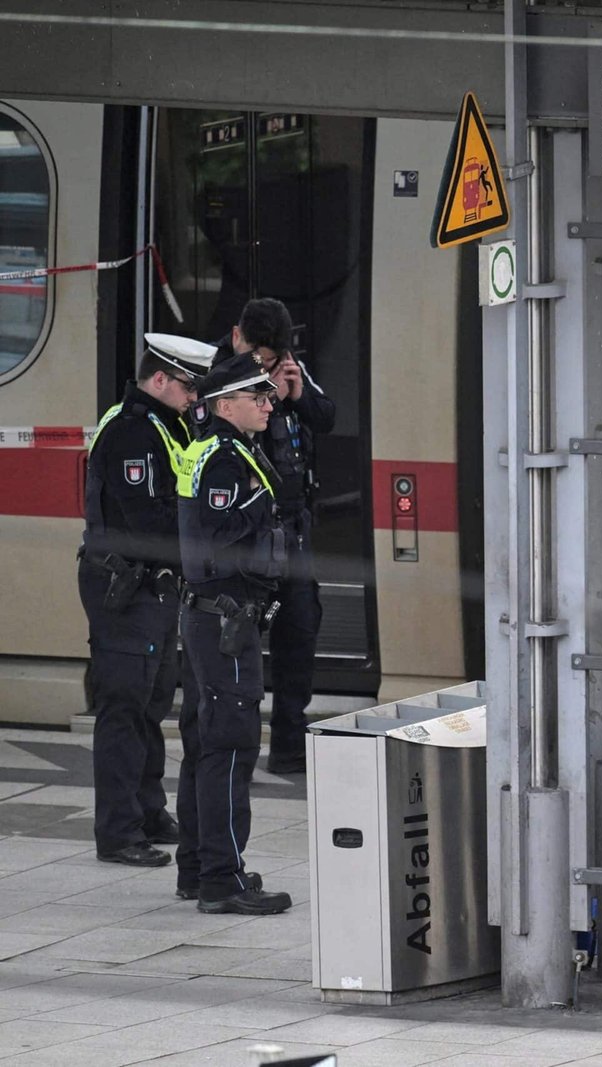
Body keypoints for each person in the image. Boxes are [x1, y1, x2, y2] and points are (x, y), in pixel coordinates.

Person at [80, 334, 214, 867]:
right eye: (187, 385)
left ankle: (148, 810)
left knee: (153, 702)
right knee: (124, 707)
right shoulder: (133, 432)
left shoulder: (165, 424)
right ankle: (117, 831)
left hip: (152, 587)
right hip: (125, 587)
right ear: (160, 379)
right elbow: (148, 522)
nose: (193, 396)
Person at [176, 350, 293, 914]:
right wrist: (263, 504)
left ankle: (199, 868)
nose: (269, 404)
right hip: (225, 617)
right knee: (231, 745)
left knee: (206, 742)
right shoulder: (225, 460)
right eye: (259, 397)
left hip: (212, 613)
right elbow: (220, 532)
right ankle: (223, 880)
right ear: (227, 404)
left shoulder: (221, 450)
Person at [227, 298, 335, 775]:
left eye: (273, 361)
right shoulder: (218, 380)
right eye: (260, 361)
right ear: (237, 340)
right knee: (238, 643)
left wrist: (297, 396)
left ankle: (288, 744)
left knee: (299, 633)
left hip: (292, 533)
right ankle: (236, 746)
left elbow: (326, 417)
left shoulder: (292, 372)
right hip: (245, 535)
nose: (266, 371)